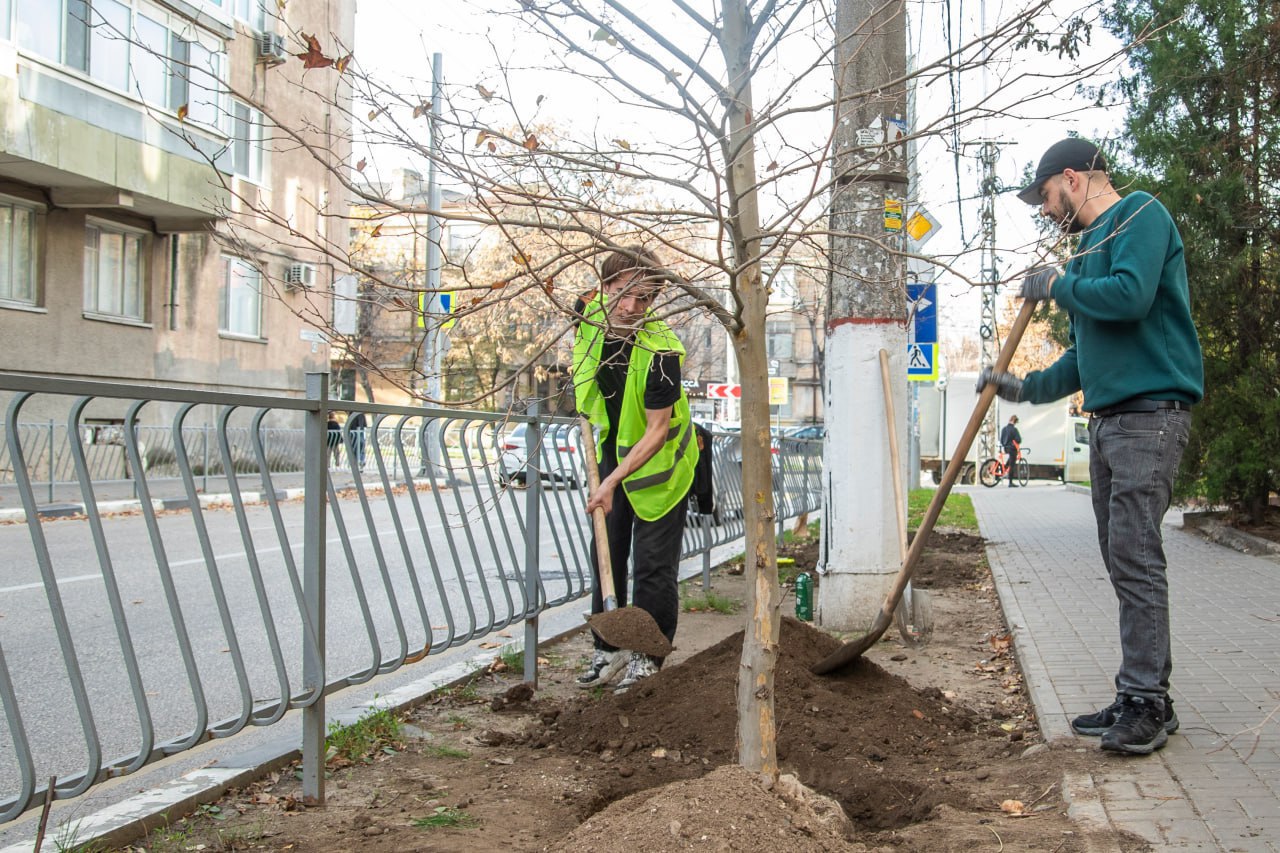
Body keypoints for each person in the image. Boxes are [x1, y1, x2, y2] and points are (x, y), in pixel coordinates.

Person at [978, 137, 1203, 755]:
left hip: (1149, 416)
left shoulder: (1140, 215)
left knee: (1135, 555)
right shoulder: (1081, 256)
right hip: (1109, 421)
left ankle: (1146, 702)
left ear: (1074, 179)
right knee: (1122, 556)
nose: (1048, 212)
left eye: (1048, 197)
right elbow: (1083, 356)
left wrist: (1057, 286)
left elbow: (1131, 296)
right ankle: (1143, 694)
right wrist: (1022, 387)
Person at [572, 246, 699, 694]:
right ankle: (608, 649)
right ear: (604, 287)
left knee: (651, 567)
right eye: (621, 292)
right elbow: (582, 304)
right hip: (612, 451)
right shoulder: (587, 317)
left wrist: (610, 482)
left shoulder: (662, 352)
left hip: (660, 467)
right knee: (605, 553)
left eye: (643, 298)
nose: (629, 307)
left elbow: (657, 432)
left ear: (655, 299)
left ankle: (647, 658)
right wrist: (607, 473)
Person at [999, 415, 1021, 488]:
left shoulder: (1004, 429)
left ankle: (1005, 467)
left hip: (1006, 448)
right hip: (1012, 449)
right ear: (1014, 422)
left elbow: (1001, 440)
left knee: (1011, 459)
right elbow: (1019, 440)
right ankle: (1010, 482)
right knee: (1012, 465)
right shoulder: (1014, 430)